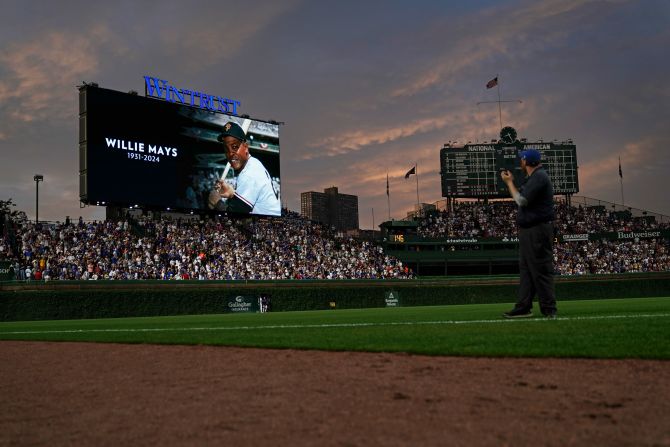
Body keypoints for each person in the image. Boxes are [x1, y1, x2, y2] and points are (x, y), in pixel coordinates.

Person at [500, 149, 557, 319]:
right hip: (530, 230)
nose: (520, 162)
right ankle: (523, 307)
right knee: (527, 271)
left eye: (521, 160)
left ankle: (549, 309)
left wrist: (509, 182)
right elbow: (522, 197)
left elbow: (521, 200)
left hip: (537, 230)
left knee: (540, 269)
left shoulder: (539, 176)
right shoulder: (534, 177)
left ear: (526, 161)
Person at [208, 121, 281, 216]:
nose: (230, 154)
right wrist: (231, 193)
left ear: (246, 147)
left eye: (235, 147)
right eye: (226, 149)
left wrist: (216, 202)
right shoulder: (253, 163)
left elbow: (235, 217)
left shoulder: (250, 173)